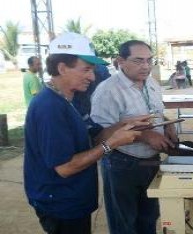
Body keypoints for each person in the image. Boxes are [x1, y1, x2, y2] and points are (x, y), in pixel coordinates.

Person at [23, 32, 145, 234]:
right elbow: (65, 167)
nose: (92, 76)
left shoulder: (71, 100)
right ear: (62, 68)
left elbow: (95, 135)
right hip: (60, 204)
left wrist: (124, 124)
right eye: (86, 70)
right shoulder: (49, 108)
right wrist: (111, 144)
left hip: (73, 198)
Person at [90, 40, 178, 234]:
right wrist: (144, 136)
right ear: (120, 61)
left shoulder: (151, 82)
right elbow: (100, 136)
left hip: (151, 161)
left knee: (148, 219)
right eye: (138, 61)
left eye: (149, 60)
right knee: (125, 223)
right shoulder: (107, 91)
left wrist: (167, 123)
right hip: (122, 164)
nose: (146, 66)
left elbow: (157, 110)